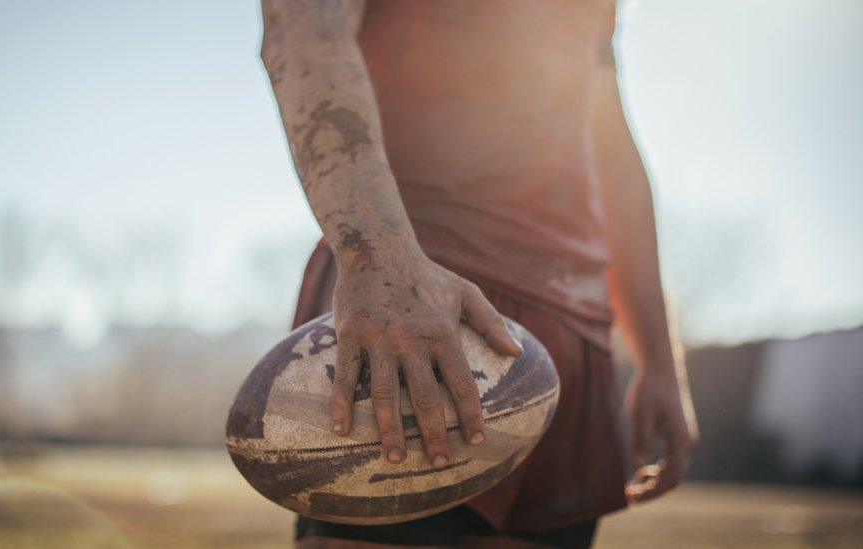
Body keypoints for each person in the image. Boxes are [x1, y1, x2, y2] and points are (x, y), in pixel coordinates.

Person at [260, 1, 698, 547]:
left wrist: (660, 359)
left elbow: (608, 141)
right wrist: (380, 257)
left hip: (570, 338)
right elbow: (303, 30)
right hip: (418, 304)